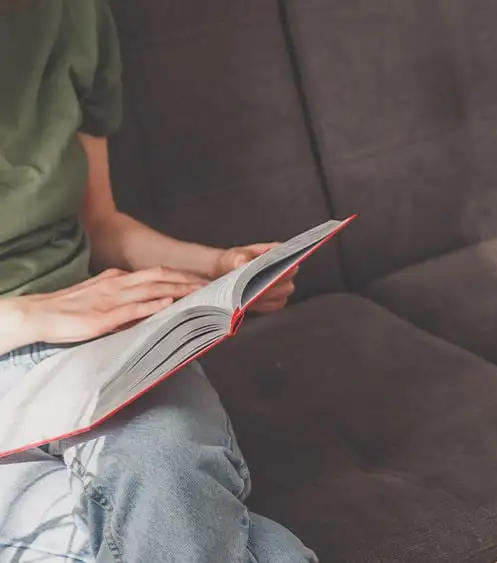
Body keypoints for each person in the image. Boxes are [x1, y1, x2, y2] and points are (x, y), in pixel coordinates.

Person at [0, 2, 317, 561]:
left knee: (164, 455)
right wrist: (32, 314)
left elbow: (101, 224)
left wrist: (218, 266)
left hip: (90, 339)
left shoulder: (74, 14)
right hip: (32, 330)